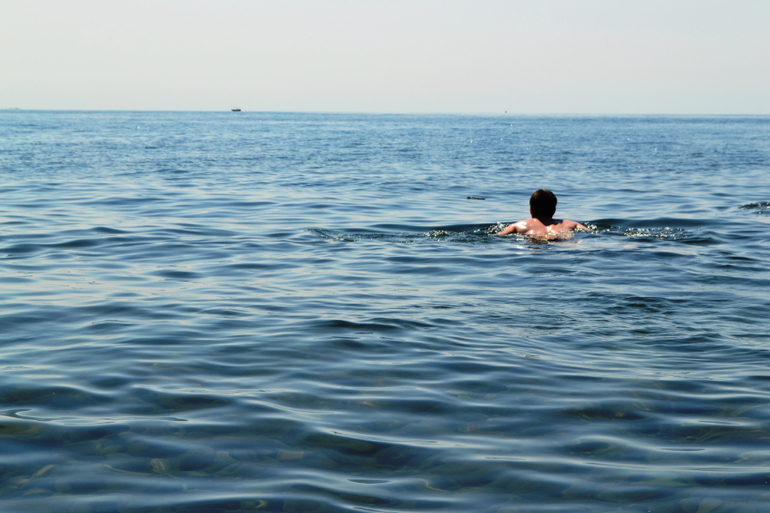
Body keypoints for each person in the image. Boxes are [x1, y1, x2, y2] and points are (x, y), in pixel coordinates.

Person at [496, 189, 588, 237]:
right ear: (554, 210)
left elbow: (497, 237)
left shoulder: (517, 226)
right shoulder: (573, 225)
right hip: (561, 242)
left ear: (531, 210)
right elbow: (591, 233)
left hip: (534, 239)